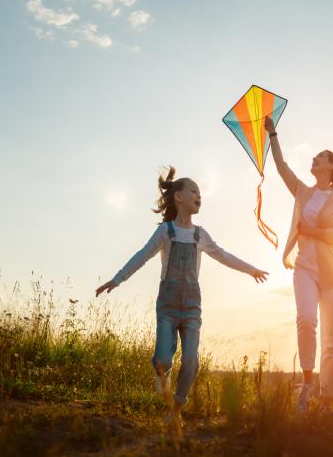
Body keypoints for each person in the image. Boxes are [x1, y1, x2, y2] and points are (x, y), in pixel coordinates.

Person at [95, 167, 268, 425]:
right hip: (167, 303)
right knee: (164, 360)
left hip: (191, 305)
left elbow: (224, 255)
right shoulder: (165, 231)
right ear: (179, 197)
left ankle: (175, 410)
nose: (200, 195)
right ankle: (161, 368)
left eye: (200, 192)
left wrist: (250, 269)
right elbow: (142, 256)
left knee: (191, 360)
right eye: (194, 191)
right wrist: (117, 279)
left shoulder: (201, 234)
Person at [264, 116, 333, 413]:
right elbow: (281, 167)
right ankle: (307, 383)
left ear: (330, 167)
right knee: (305, 319)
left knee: (331, 338)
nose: (314, 159)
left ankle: (327, 400)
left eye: (320, 157)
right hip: (304, 268)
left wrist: (312, 231)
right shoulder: (304, 192)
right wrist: (272, 133)